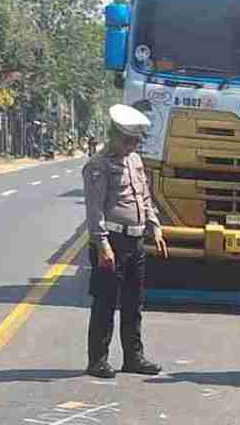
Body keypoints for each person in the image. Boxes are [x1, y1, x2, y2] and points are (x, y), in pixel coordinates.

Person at [82, 104, 169, 379]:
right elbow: (94, 209)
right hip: (112, 242)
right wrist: (102, 244)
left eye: (136, 141)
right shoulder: (98, 165)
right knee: (105, 302)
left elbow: (143, 197)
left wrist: (154, 225)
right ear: (115, 137)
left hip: (135, 242)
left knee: (134, 301)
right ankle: (97, 360)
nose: (133, 146)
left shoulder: (134, 161)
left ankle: (133, 357)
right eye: (129, 141)